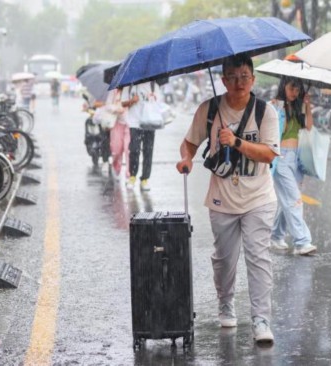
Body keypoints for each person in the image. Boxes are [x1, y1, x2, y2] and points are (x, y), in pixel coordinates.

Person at [176, 54, 280, 344]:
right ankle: (226, 301)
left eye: (245, 76)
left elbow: (269, 154)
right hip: (222, 199)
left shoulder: (265, 112)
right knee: (224, 260)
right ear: (222, 80)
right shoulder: (209, 109)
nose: (239, 83)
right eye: (233, 77)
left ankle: (261, 318)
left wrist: (235, 142)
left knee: (258, 258)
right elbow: (190, 142)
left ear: (253, 79)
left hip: (259, 197)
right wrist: (186, 159)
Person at [269, 76, 316, 255]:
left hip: (297, 159)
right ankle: (302, 242)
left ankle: (276, 236)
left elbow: (309, 127)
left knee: (288, 200)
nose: (294, 93)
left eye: (297, 90)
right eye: (291, 88)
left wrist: (307, 106)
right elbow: (272, 131)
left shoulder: (298, 107)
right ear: (283, 87)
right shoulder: (274, 105)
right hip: (281, 158)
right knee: (294, 199)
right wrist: (276, 108)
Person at [123, 82, 161, 191]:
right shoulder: (129, 85)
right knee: (134, 150)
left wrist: (153, 98)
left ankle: (145, 179)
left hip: (149, 122)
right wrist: (131, 101)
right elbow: (122, 103)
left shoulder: (154, 85)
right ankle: (132, 177)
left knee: (148, 151)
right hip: (134, 123)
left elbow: (159, 104)